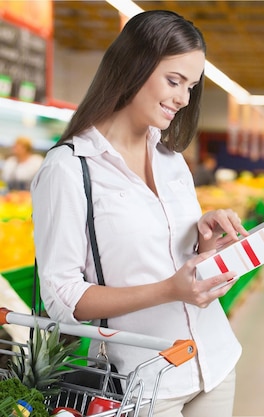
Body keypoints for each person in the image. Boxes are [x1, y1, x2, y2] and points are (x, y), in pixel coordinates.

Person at [30, 10, 248, 417]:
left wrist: (203, 242)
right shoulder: (69, 168)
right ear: (134, 67)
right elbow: (61, 299)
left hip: (215, 360)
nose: (184, 98)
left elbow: (175, 255)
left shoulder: (170, 158)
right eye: (174, 80)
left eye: (191, 85)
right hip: (141, 382)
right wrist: (168, 290)